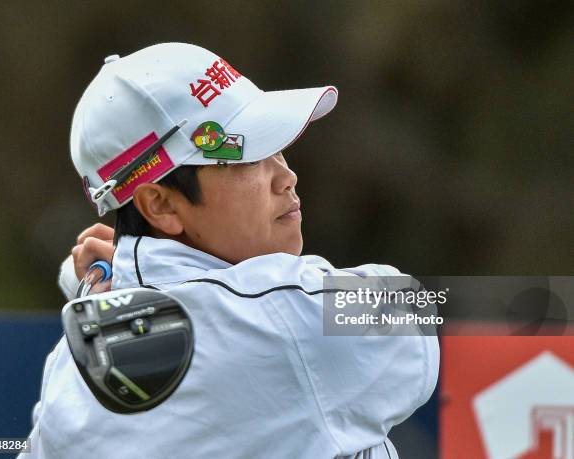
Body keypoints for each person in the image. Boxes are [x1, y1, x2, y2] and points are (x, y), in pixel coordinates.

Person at [26, 42, 439, 459]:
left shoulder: (67, 372)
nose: (286, 177)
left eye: (275, 148)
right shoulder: (282, 318)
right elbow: (410, 311)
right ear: (161, 205)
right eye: (248, 155)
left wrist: (104, 288)